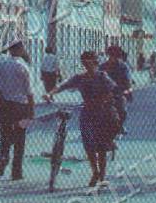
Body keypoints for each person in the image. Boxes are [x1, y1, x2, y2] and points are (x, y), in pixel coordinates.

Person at [46, 51, 125, 187]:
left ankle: (102, 176)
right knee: (88, 145)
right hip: (88, 113)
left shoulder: (102, 77)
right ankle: (95, 171)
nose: (88, 66)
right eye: (85, 63)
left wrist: (105, 99)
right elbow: (63, 85)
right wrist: (50, 94)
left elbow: (114, 90)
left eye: (90, 63)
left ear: (95, 63)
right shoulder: (79, 78)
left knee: (101, 146)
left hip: (102, 112)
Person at [0, 41, 34, 180]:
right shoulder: (23, 66)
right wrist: (31, 111)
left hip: (4, 104)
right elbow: (29, 91)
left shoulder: (2, 64)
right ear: (20, 50)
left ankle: (3, 157)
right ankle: (16, 171)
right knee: (19, 138)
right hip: (20, 106)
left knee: (5, 134)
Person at [101, 45, 133, 135]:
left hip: (118, 92)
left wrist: (127, 92)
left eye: (115, 56)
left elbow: (127, 80)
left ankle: (120, 125)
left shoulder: (123, 67)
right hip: (104, 93)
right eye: (111, 55)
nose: (112, 58)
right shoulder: (103, 66)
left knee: (123, 110)